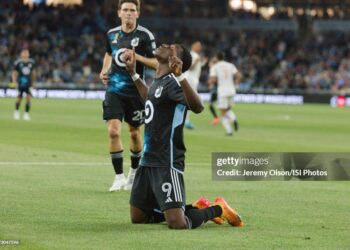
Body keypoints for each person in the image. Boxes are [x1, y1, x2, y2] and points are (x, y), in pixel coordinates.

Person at [123, 44, 244, 229]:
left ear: (175, 59)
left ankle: (217, 209)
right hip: (147, 161)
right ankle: (192, 208)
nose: (164, 45)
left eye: (170, 47)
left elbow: (198, 107)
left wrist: (180, 76)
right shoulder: (159, 80)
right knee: (138, 217)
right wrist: (133, 74)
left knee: (178, 224)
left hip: (166, 161)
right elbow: (149, 98)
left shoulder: (173, 82)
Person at [99, 0, 157, 191]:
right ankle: (118, 176)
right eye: (125, 10)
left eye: (132, 10)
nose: (129, 13)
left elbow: (157, 63)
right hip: (114, 90)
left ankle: (133, 173)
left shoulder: (145, 36)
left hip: (136, 92)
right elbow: (109, 53)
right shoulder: (111, 34)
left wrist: (137, 57)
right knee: (113, 131)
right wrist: (104, 69)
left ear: (138, 14)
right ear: (119, 13)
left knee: (134, 132)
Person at [208, 52, 241, 136]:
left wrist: (209, 82)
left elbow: (213, 79)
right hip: (232, 90)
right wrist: (236, 85)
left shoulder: (215, 67)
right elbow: (238, 75)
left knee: (223, 112)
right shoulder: (230, 65)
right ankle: (232, 123)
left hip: (222, 91)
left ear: (216, 58)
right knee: (228, 109)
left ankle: (231, 126)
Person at [184, 41, 206, 130]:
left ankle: (186, 120)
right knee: (192, 100)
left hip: (194, 80)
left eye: (200, 46)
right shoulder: (191, 55)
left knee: (190, 100)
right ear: (193, 46)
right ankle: (186, 121)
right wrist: (197, 61)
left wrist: (203, 62)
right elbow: (190, 67)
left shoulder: (196, 56)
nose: (199, 47)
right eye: (198, 46)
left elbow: (198, 67)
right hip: (190, 79)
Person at [12, 49, 36, 121]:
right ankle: (16, 112)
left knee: (28, 98)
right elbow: (14, 73)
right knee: (19, 98)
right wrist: (14, 82)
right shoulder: (18, 63)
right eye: (24, 53)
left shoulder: (31, 62)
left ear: (28, 54)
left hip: (28, 83)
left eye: (27, 53)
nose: (25, 54)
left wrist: (33, 82)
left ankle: (26, 114)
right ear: (21, 54)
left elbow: (33, 73)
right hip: (20, 83)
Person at [207, 56, 220, 125]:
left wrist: (210, 82)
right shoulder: (216, 69)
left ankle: (217, 118)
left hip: (217, 90)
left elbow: (215, 79)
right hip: (217, 89)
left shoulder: (214, 69)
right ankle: (217, 118)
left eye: (210, 63)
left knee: (211, 105)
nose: (209, 64)